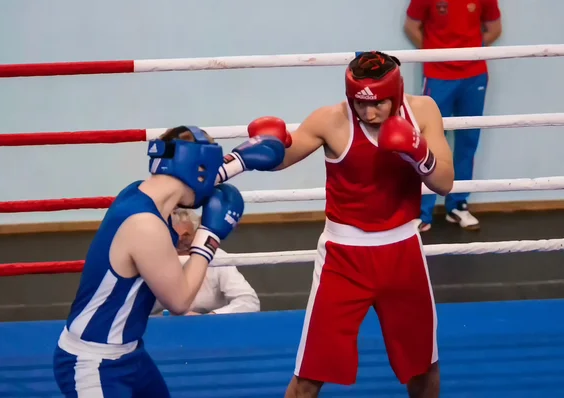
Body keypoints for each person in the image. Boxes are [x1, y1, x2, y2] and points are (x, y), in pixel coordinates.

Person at [218, 51, 454, 397]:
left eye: (378, 104)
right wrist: (236, 161)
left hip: (403, 252)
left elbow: (445, 182)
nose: (369, 113)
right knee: (309, 375)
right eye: (360, 104)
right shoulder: (330, 121)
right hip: (344, 259)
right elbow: (279, 156)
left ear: (397, 93)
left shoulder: (422, 112)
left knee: (423, 368)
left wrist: (420, 153)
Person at [52, 125, 284, 397]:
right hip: (93, 362)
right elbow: (180, 301)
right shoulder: (146, 227)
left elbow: (187, 183)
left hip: (129, 354)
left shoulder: (137, 192)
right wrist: (209, 236)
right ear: (198, 171)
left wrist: (239, 161)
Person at [404, 0, 502, 231]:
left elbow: (494, 28)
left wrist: (468, 54)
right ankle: (422, 212)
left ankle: (458, 205)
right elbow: (411, 26)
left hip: (474, 75)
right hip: (438, 75)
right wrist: (438, 55)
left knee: (468, 140)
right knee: (428, 141)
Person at [152, 208, 260, 315]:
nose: (180, 240)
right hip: (160, 327)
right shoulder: (151, 260)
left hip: (211, 327)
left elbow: (249, 301)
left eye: (186, 235)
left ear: (196, 234)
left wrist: (211, 317)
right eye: (174, 236)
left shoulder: (216, 256)